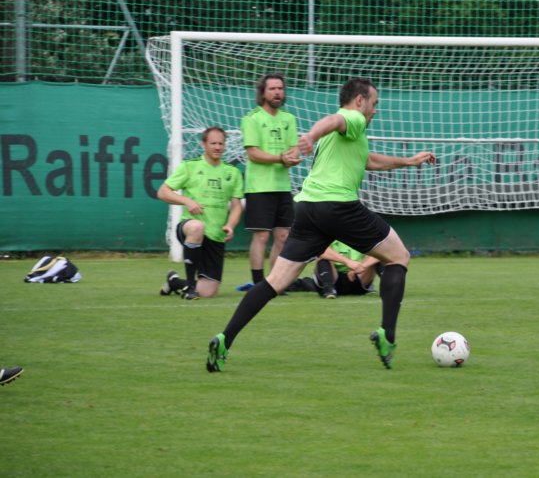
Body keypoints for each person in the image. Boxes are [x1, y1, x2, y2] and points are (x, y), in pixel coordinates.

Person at [205, 77, 436, 372]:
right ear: (360, 101)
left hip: (307, 209)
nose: (375, 110)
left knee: (275, 281)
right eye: (374, 103)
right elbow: (333, 120)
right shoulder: (352, 118)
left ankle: (225, 339)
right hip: (338, 206)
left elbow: (367, 160)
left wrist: (408, 162)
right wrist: (311, 135)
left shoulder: (346, 136)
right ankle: (387, 336)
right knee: (399, 257)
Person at [157, 126, 244, 300]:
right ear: (203, 144)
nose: (217, 147)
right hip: (190, 227)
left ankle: (175, 282)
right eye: (213, 143)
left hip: (216, 236)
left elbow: (236, 206)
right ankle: (190, 288)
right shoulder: (190, 167)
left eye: (221, 143)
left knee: (208, 292)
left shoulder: (233, 173)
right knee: (197, 227)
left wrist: (230, 225)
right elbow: (163, 192)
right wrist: (187, 201)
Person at [235, 73, 301, 292]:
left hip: (283, 186)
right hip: (259, 187)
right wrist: (280, 158)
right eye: (272, 89)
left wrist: (292, 157)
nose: (277, 92)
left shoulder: (289, 119)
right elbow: (253, 153)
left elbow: (293, 149)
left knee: (283, 237)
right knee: (261, 236)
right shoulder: (252, 118)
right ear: (263, 93)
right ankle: (257, 283)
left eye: (280, 88)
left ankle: (274, 283)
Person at [289, 240, 383, 299]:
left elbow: (382, 250)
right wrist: (347, 262)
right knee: (322, 257)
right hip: (334, 277)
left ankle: (388, 289)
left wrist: (363, 266)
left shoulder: (365, 231)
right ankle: (329, 289)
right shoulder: (328, 228)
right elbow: (319, 250)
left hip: (358, 277)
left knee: (380, 257)